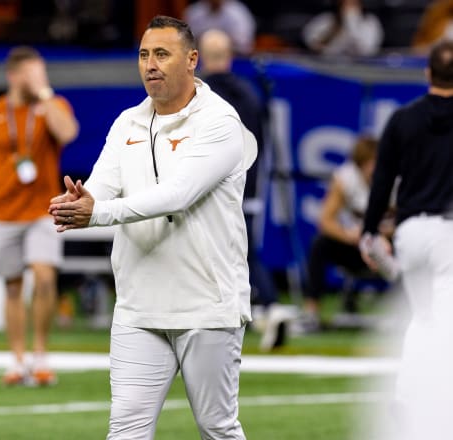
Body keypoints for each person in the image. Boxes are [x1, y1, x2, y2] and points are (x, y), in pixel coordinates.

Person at [49, 15, 256, 439]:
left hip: (206, 305)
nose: (150, 65)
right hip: (139, 307)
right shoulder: (127, 122)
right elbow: (103, 184)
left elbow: (178, 194)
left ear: (192, 60)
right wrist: (81, 199)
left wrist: (99, 213)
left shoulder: (221, 123)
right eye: (144, 54)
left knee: (216, 427)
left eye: (162, 54)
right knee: (126, 430)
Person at [0, 45, 79, 386]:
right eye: (31, 73)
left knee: (44, 277)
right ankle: (17, 359)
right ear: (13, 76)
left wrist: (44, 92)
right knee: (12, 286)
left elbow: (68, 133)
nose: (37, 80)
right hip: (2, 210)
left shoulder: (52, 106)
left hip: (44, 208)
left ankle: (41, 354)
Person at [360, 41, 453, 440]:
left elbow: (382, 181)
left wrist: (368, 230)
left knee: (422, 316)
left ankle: (406, 394)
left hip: (411, 231)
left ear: (427, 73)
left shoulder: (403, 119)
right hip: (450, 231)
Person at [198, 28, 296, 351]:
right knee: (240, 250)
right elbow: (261, 144)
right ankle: (253, 309)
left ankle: (267, 304)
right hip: (248, 187)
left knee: (227, 252)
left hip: (209, 187)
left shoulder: (200, 95)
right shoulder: (249, 95)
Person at [303, 136, 383, 331]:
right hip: (357, 247)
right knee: (320, 244)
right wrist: (349, 235)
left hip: (388, 245)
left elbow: (410, 217)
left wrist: (382, 234)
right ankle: (311, 312)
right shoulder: (346, 178)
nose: (374, 170)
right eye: (369, 164)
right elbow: (325, 220)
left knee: (414, 244)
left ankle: (423, 314)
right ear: (359, 165)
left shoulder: (398, 176)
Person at [302, 0, 383, 57]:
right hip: (329, 65)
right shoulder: (326, 20)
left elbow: (367, 50)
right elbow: (313, 42)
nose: (349, 8)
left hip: (361, 66)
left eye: (353, 4)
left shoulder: (370, 22)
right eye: (345, 4)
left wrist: (351, 20)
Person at [183, 0, 255, 55]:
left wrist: (219, 44)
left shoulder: (238, 12)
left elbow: (244, 44)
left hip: (233, 58)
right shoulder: (194, 12)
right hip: (200, 58)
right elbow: (186, 41)